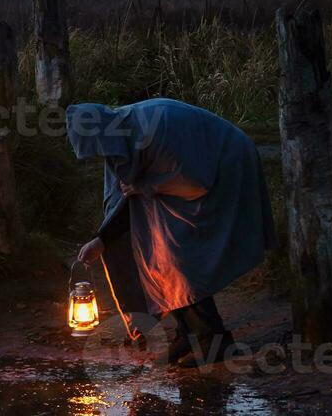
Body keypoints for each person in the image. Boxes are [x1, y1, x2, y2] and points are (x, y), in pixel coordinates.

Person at [66, 98, 276, 367]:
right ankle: (188, 334)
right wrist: (102, 239)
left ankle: (214, 341)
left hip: (226, 165)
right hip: (182, 180)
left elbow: (195, 183)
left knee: (177, 255)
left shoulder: (154, 132)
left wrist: (146, 187)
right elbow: (123, 200)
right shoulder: (118, 145)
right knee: (156, 252)